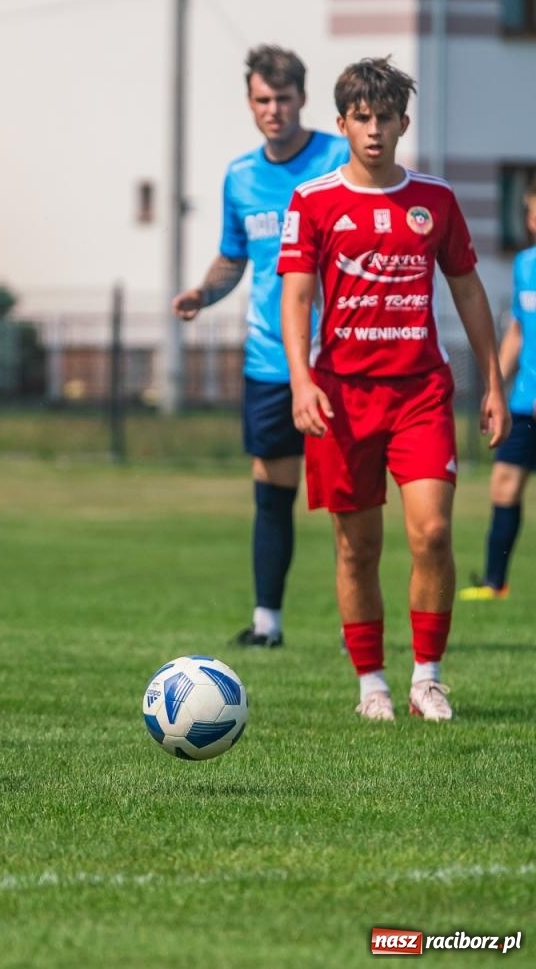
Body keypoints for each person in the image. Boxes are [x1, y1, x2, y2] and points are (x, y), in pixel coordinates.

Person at [278, 57, 508, 723]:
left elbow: (467, 288)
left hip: (420, 394)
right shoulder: (314, 202)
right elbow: (295, 297)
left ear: (404, 122)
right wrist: (301, 380)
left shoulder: (434, 200)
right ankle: (372, 683)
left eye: (386, 118)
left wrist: (492, 381)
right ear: (343, 123)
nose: (374, 130)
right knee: (358, 546)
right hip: (341, 398)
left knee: (433, 532)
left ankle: (427, 679)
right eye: (362, 118)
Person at [173, 45, 349, 648]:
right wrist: (203, 292)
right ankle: (267, 623)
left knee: (354, 499)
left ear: (303, 98)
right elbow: (235, 257)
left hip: (342, 360)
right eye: (262, 100)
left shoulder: (338, 161)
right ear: (251, 104)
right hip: (271, 361)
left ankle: (368, 631)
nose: (274, 110)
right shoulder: (240, 176)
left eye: (284, 98)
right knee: (273, 491)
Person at [461, 181, 536, 601]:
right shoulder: (525, 265)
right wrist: (495, 387)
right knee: (503, 486)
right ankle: (495, 583)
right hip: (525, 400)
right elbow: (518, 333)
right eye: (532, 213)